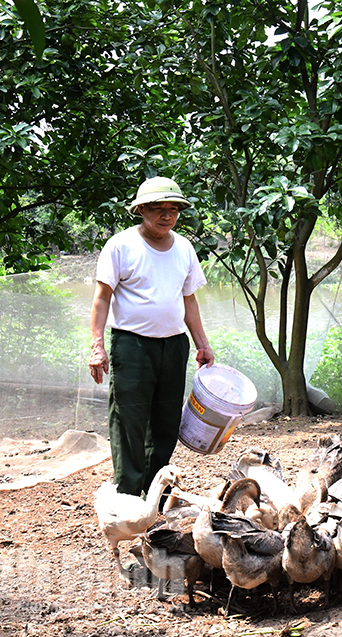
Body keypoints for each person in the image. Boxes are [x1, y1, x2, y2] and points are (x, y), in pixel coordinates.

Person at [88, 176, 214, 498]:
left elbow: (188, 299)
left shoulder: (184, 248)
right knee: (129, 419)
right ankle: (128, 495)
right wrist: (97, 346)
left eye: (173, 210)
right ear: (141, 209)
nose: (167, 216)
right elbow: (102, 298)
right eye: (158, 209)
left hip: (173, 346)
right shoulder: (121, 245)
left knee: (166, 423)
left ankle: (153, 493)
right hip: (132, 345)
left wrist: (202, 343)